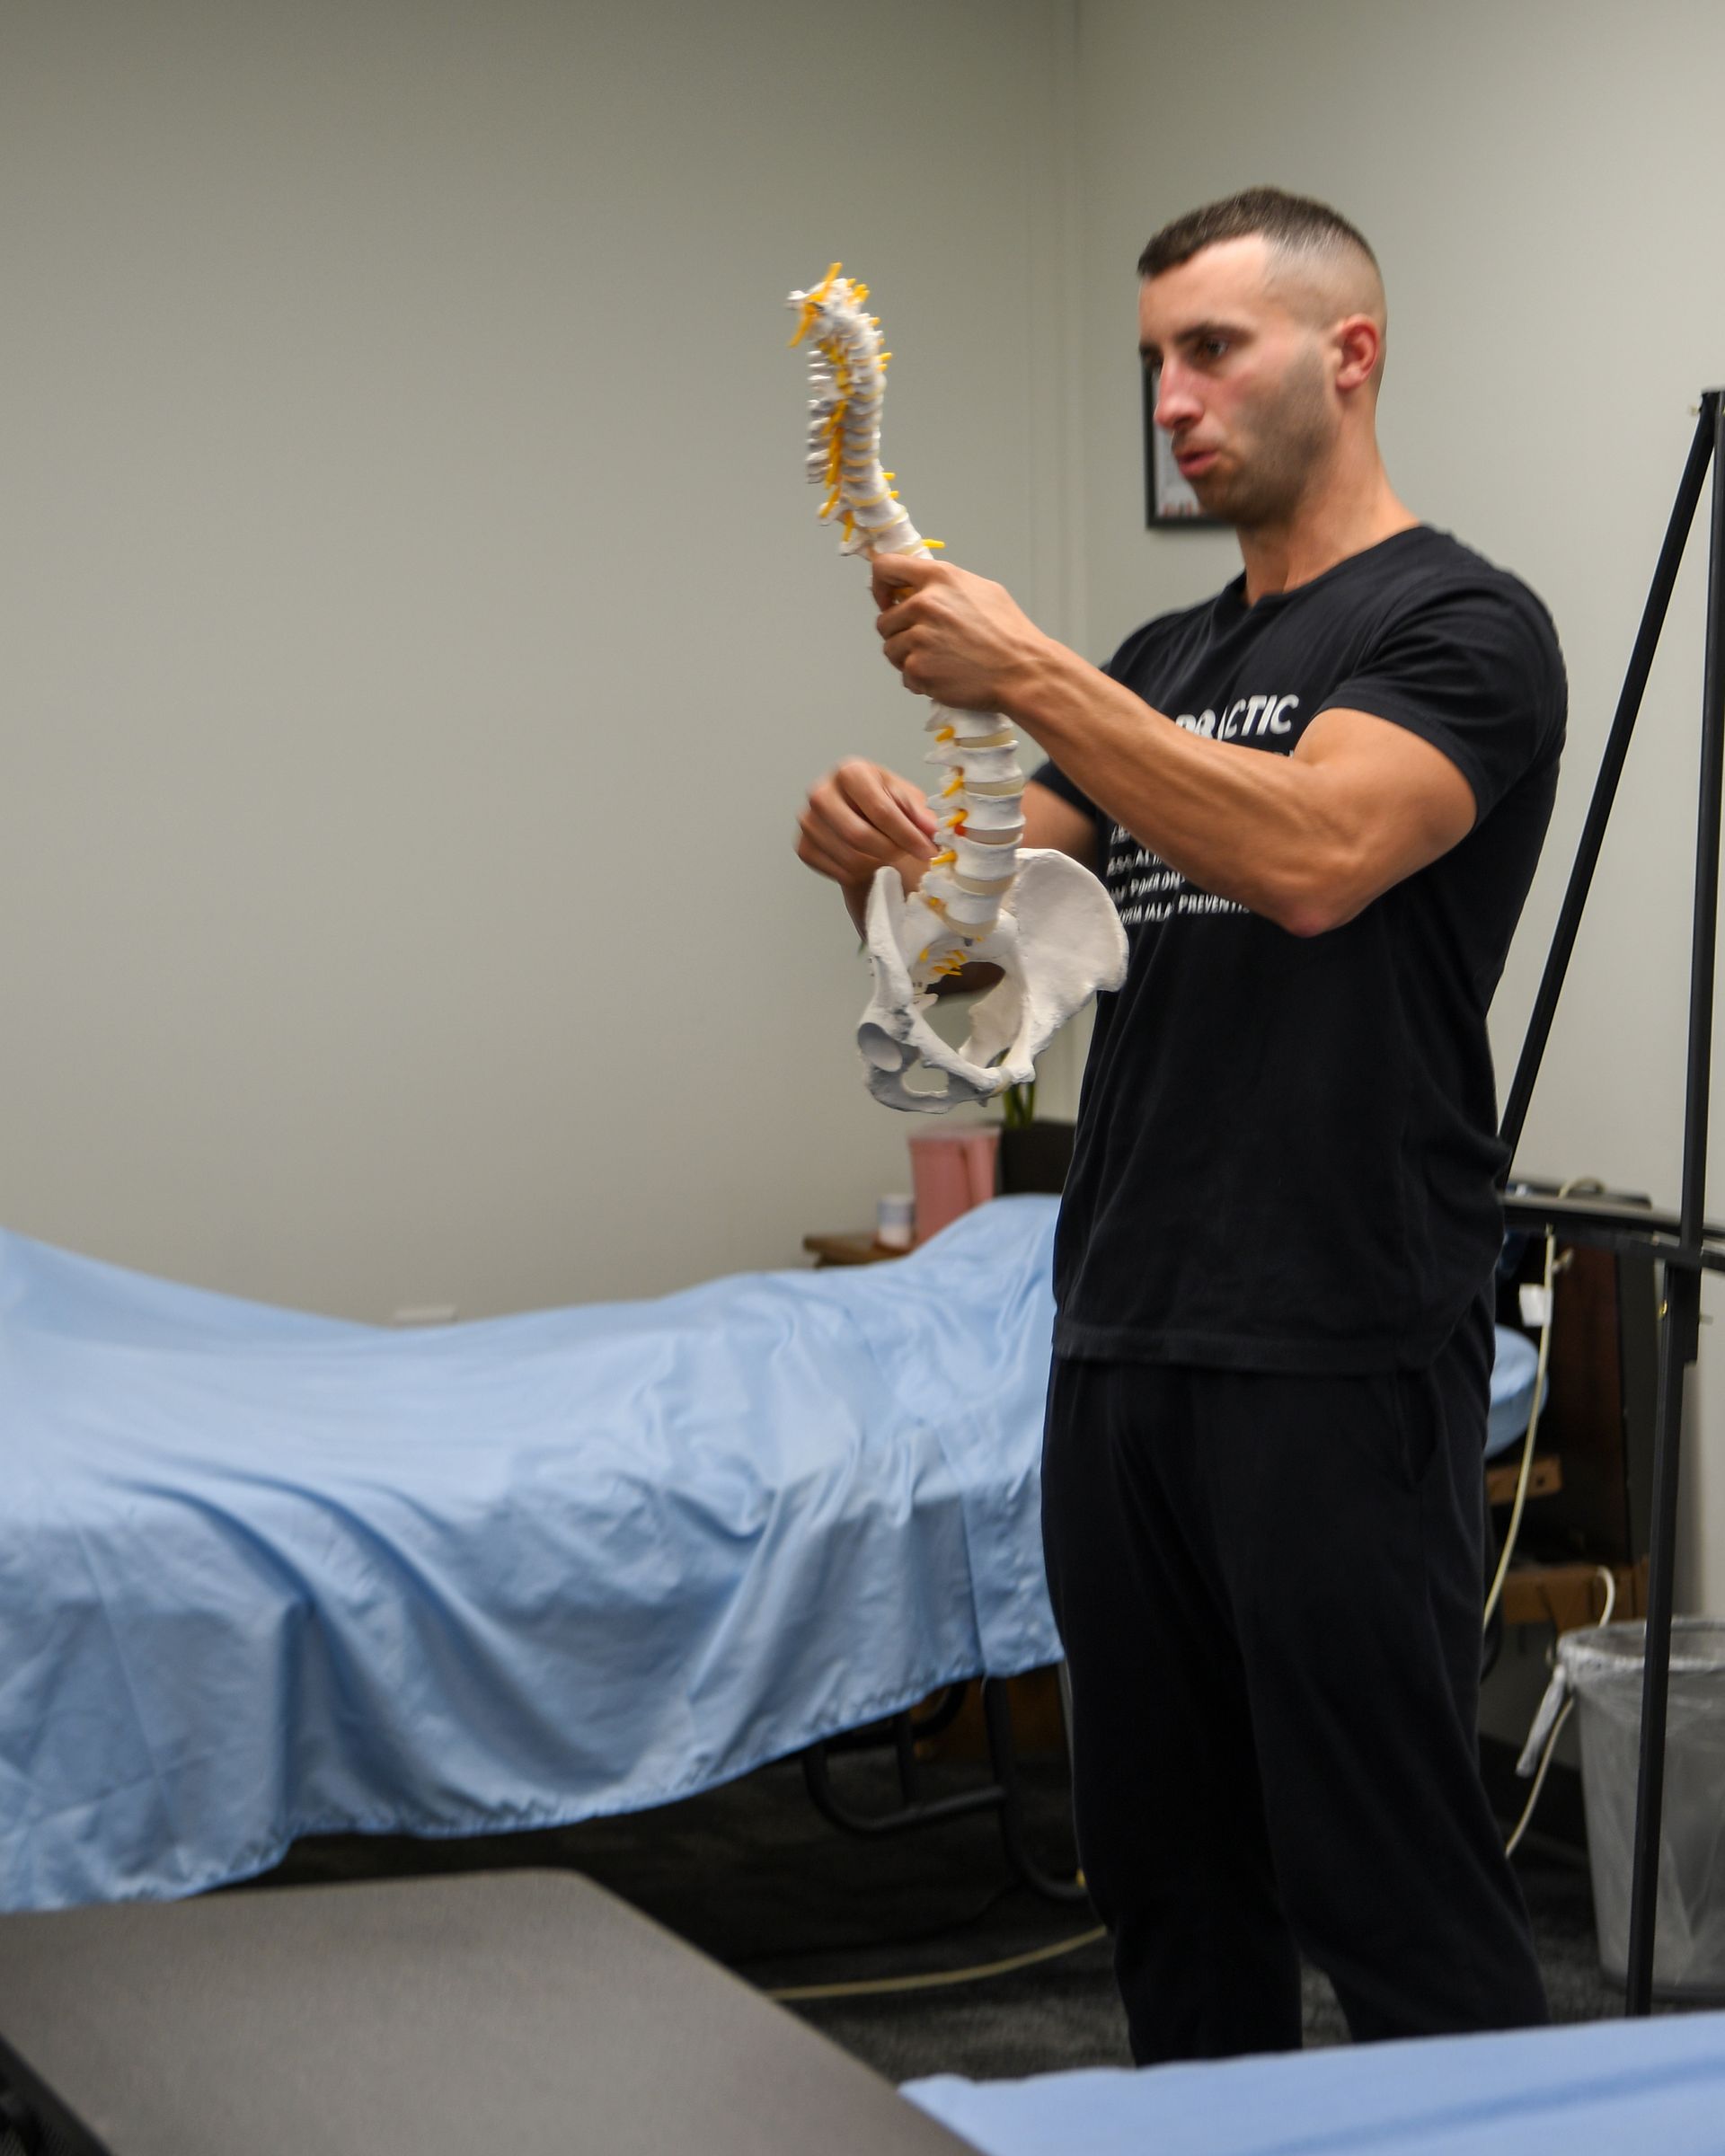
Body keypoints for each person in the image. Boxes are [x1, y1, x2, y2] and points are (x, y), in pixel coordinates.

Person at [795, 186, 1564, 2063]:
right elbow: (983, 963)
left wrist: (1030, 672)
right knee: (1171, 1888)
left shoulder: (1459, 624)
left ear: (1348, 356)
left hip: (1334, 1333)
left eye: (1210, 348)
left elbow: (1310, 857)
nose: (1173, 396)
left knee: (1390, 1888)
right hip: (1123, 1328)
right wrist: (874, 864)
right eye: (1155, 360)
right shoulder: (1165, 659)